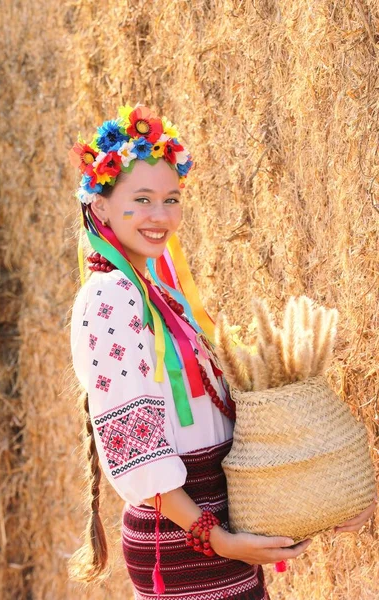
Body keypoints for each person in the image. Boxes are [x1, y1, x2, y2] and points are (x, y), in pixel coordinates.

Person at [67, 104, 376, 599]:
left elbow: (213, 417)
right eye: (141, 198)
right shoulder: (110, 298)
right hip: (183, 534)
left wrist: (332, 496)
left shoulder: (157, 293)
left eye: (171, 198)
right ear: (100, 206)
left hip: (210, 518)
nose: (160, 215)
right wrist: (217, 537)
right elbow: (135, 447)